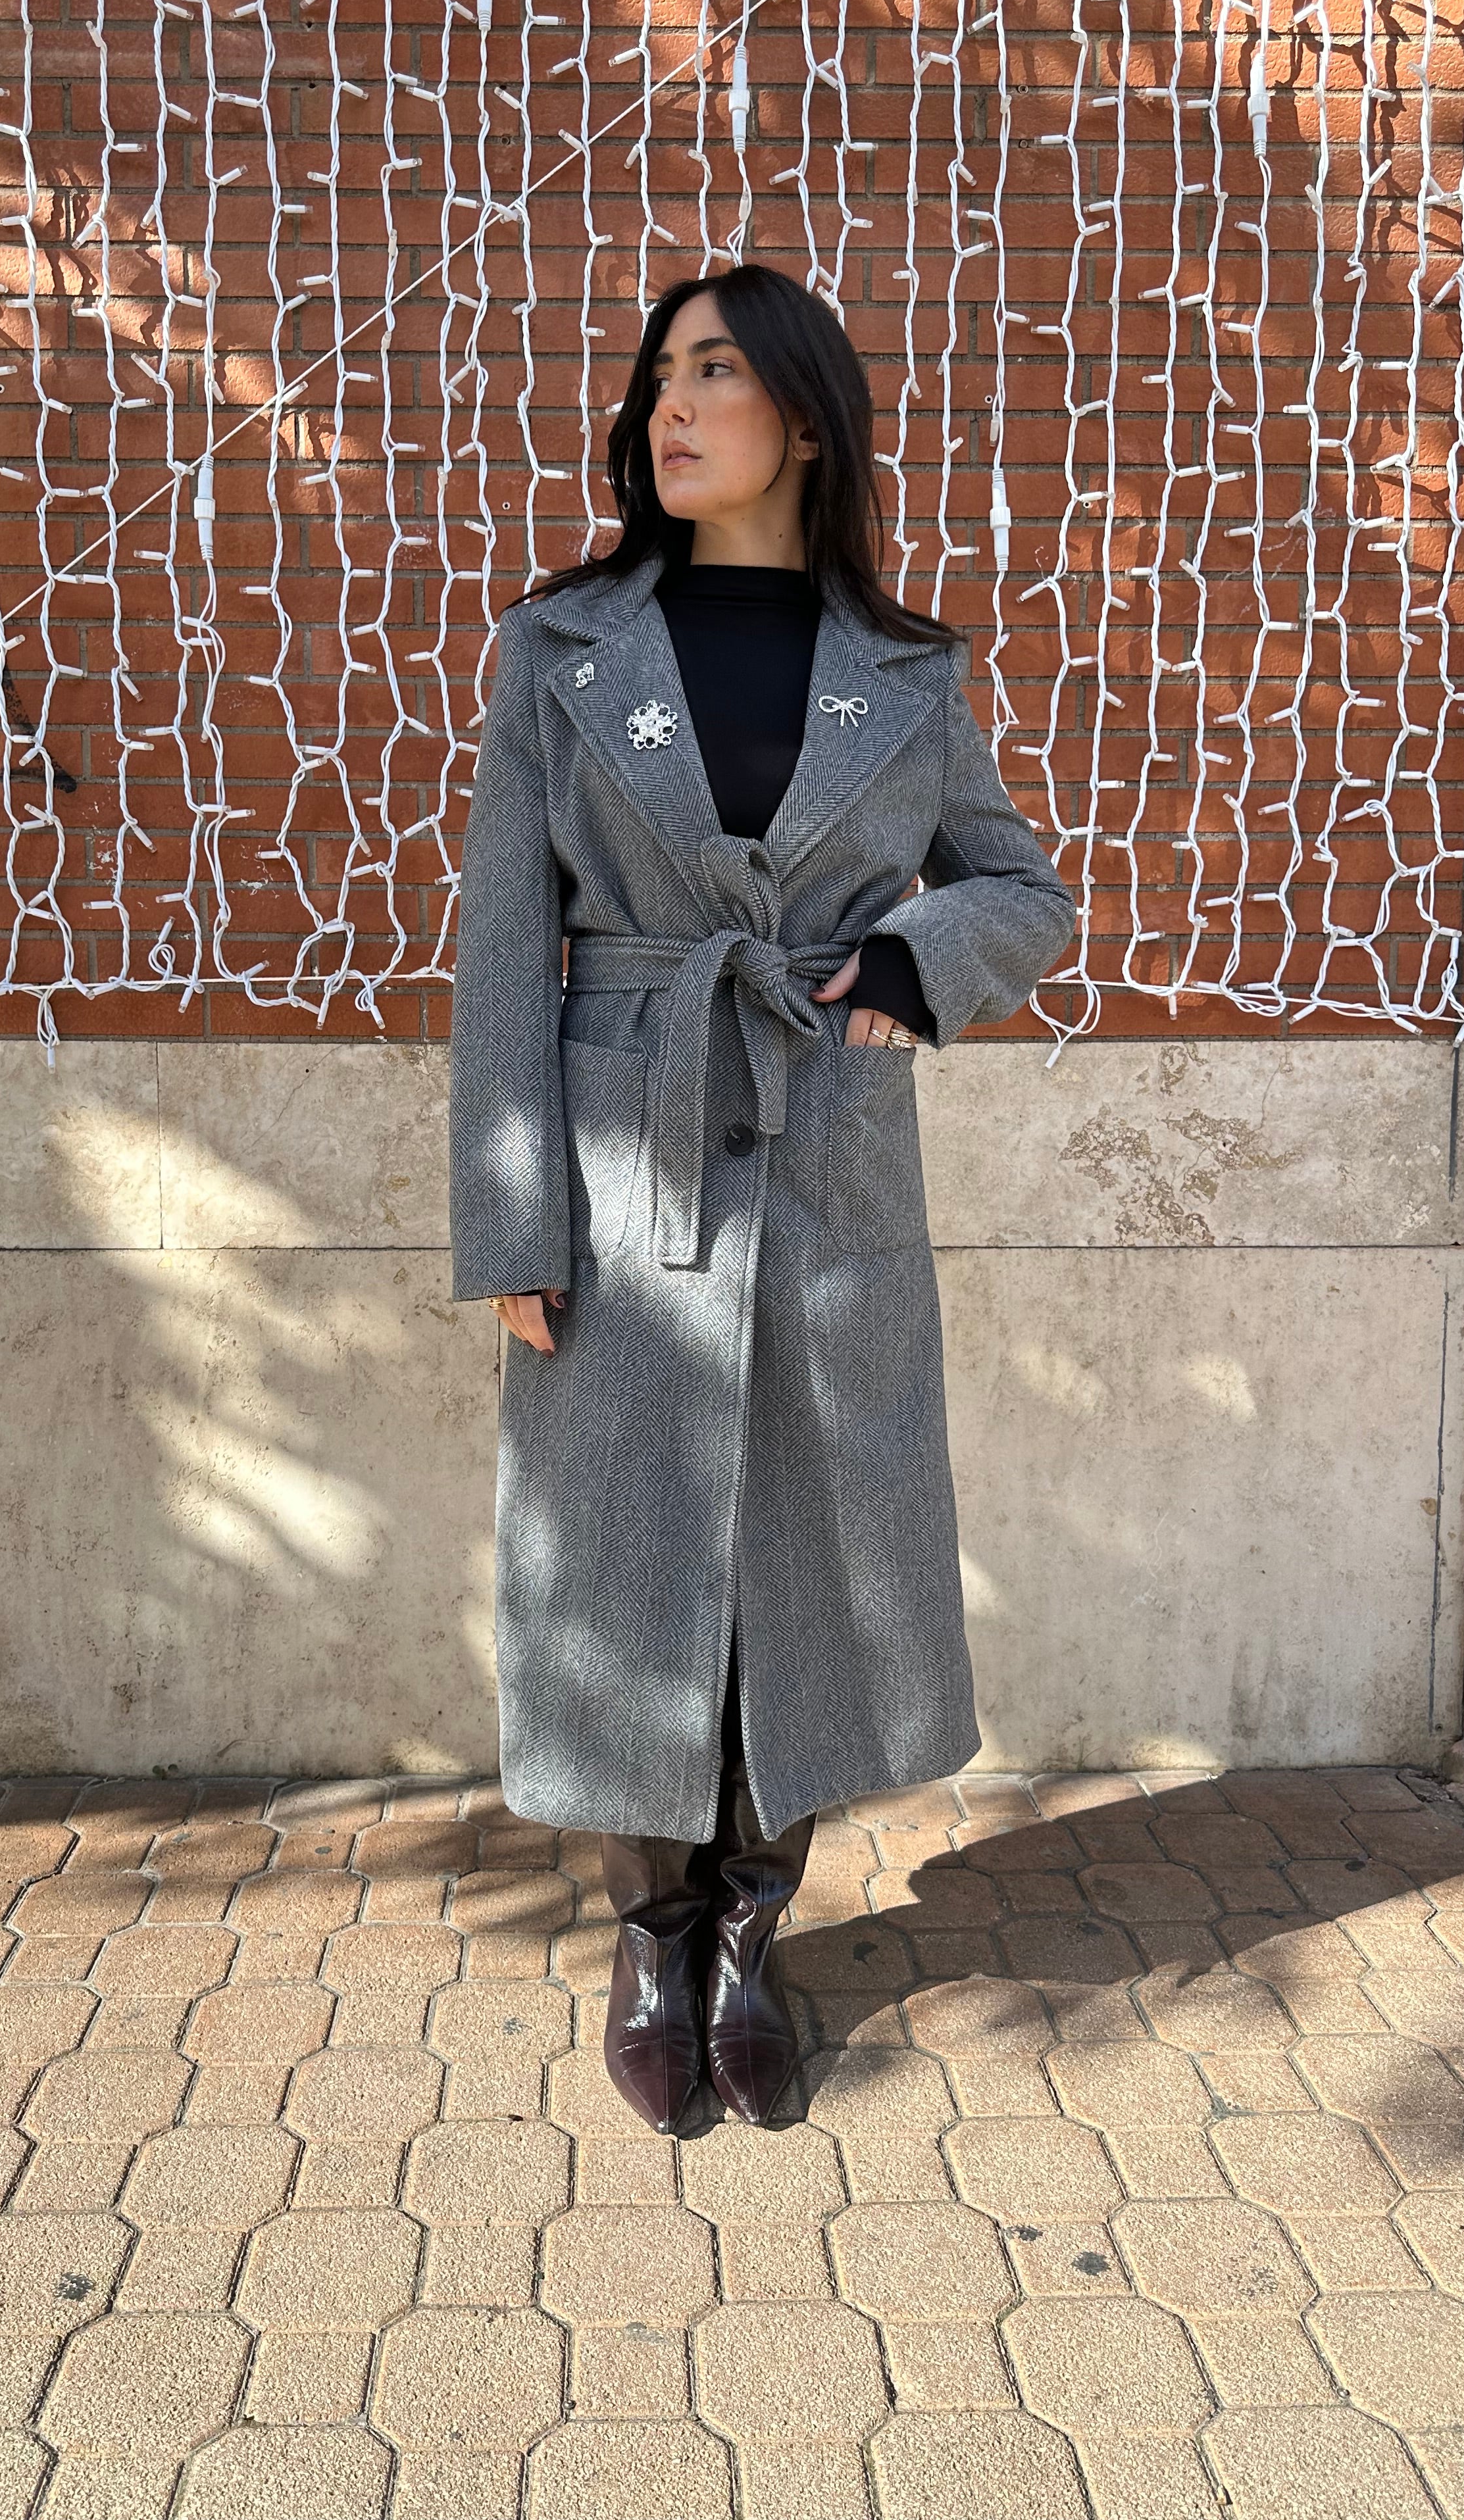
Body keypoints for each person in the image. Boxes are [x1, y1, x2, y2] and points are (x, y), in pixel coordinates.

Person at [447, 260, 1074, 2134]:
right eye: (657, 374)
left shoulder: (908, 671)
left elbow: (1024, 891)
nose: (670, 403)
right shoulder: (560, 648)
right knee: (629, 1556)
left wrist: (916, 962)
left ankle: (753, 1928)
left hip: (824, 1166)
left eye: (711, 370)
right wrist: (510, 1218)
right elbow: (502, 950)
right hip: (622, 1157)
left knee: (808, 1562)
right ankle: (653, 1931)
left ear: (802, 416)